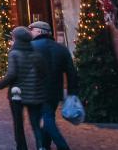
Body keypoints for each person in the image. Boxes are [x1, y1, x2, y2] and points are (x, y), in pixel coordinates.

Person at [0, 26, 46, 150]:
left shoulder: (14, 53)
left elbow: (11, 74)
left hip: (17, 93)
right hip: (34, 92)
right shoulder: (36, 52)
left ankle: (21, 147)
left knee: (19, 124)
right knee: (35, 122)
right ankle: (41, 145)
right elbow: (43, 72)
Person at [30, 21, 78, 150]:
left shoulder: (30, 47)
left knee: (43, 119)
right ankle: (45, 145)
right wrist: (72, 92)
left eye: (32, 30)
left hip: (36, 91)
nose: (30, 33)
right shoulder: (61, 48)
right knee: (48, 116)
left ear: (40, 31)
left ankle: (60, 145)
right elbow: (71, 72)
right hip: (55, 92)